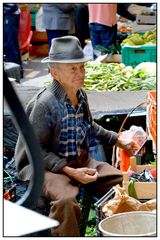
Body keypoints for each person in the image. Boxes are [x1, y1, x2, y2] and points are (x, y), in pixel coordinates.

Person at [14, 36, 135, 236]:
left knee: (121, 181)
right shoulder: (45, 103)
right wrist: (69, 171)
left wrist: (118, 140)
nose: (80, 73)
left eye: (82, 67)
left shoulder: (80, 95)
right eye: (73, 69)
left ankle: (115, 231)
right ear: (55, 73)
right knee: (66, 200)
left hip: (78, 162)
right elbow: (36, 150)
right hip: (42, 167)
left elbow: (89, 126)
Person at [3, 3, 24, 78]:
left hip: (8, 11)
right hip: (9, 11)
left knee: (9, 44)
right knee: (10, 43)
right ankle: (16, 72)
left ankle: (13, 73)